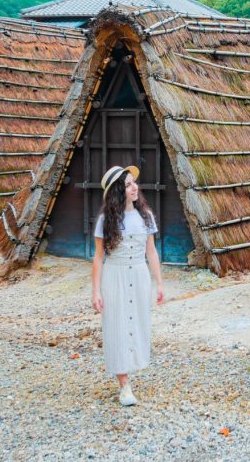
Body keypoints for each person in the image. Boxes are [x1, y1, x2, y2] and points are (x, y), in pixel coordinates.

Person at [91, 165, 164, 406]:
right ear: (117, 192)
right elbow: (99, 257)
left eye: (134, 183)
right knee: (117, 325)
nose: (134, 188)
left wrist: (159, 283)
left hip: (139, 274)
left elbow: (151, 251)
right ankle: (124, 385)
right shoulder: (105, 221)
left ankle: (132, 367)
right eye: (127, 185)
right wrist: (96, 291)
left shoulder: (146, 216)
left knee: (137, 322)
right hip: (115, 275)